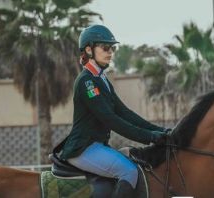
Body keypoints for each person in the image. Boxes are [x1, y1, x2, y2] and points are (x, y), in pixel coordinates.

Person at [59, 24, 168, 198]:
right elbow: (111, 120)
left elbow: (124, 112)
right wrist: (150, 137)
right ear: (88, 50)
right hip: (83, 149)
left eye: (112, 48)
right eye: (105, 47)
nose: (110, 52)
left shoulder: (101, 79)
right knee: (129, 172)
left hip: (96, 146)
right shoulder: (87, 82)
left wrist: (160, 131)